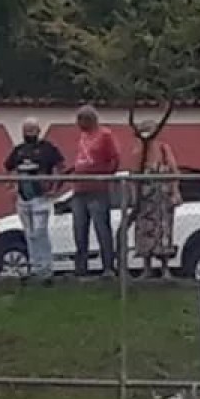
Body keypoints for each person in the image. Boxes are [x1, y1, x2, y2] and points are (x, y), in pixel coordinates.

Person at [3, 118, 64, 283]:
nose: (29, 132)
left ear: (38, 130)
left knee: (40, 233)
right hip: (23, 198)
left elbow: (61, 166)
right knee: (29, 234)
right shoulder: (19, 150)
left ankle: (46, 270)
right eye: (26, 129)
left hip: (40, 197)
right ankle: (35, 267)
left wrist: (55, 187)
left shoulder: (47, 149)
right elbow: (9, 168)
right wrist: (12, 187)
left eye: (32, 129)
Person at [67, 105, 120, 276]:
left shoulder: (105, 135)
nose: (78, 124)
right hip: (79, 189)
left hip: (97, 189)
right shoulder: (82, 137)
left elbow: (114, 159)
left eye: (80, 120)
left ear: (89, 120)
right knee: (79, 229)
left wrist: (103, 175)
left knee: (101, 228)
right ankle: (81, 268)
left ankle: (108, 267)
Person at [129, 124, 180, 278]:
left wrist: (175, 192)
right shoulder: (138, 152)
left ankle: (165, 268)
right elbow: (133, 176)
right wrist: (134, 197)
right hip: (145, 200)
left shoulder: (164, 149)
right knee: (145, 232)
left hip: (163, 200)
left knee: (164, 233)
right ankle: (146, 268)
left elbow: (174, 171)